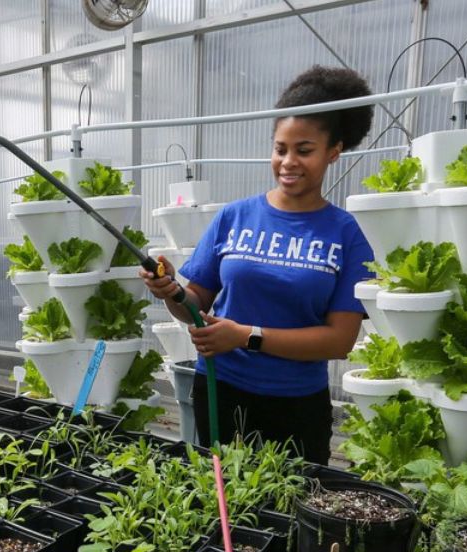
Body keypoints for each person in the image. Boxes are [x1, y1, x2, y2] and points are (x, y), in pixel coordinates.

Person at [140, 65, 376, 465]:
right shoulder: (235, 217)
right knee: (220, 507)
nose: (288, 162)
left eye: (304, 150)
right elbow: (194, 304)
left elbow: (340, 341)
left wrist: (246, 336)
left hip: (298, 405)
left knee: (291, 510)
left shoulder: (347, 234)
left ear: (334, 152)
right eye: (280, 148)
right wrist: (171, 290)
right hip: (222, 390)